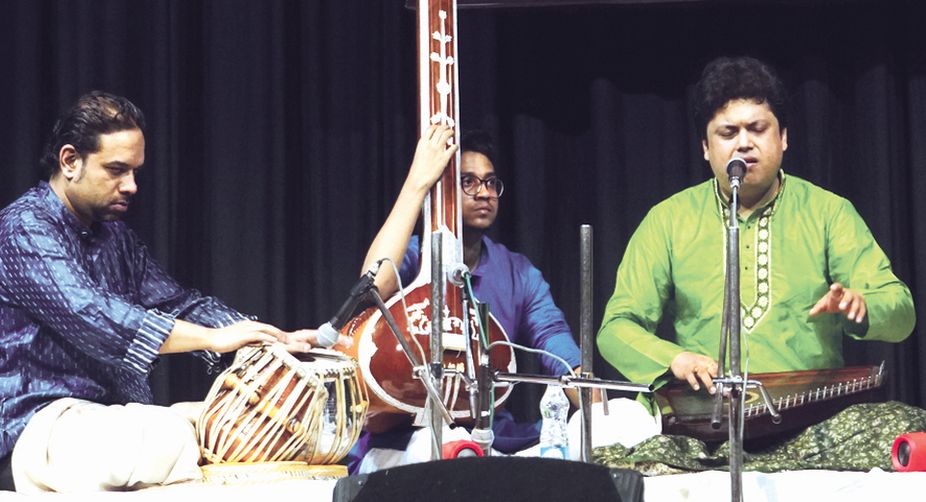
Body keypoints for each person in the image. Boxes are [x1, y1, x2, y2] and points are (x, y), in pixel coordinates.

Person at [0, 91, 320, 493]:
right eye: (116, 170)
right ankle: (184, 422)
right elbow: (92, 316)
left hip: (113, 420)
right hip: (34, 430)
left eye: (135, 172)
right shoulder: (24, 229)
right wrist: (214, 340)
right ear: (70, 161)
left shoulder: (116, 238)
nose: (131, 185)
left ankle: (187, 421)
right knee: (157, 439)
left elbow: (179, 303)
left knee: (242, 425)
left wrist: (270, 341)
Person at [597, 56, 915, 406]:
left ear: (783, 138)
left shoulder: (829, 213)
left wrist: (863, 305)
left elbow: (902, 312)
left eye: (758, 129)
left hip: (809, 416)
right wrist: (673, 359)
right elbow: (616, 328)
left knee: (905, 428)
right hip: (702, 417)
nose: (744, 143)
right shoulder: (668, 221)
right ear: (705, 147)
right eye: (728, 133)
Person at [351, 126, 582, 472]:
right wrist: (418, 183)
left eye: (491, 183)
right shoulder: (414, 259)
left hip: (491, 438)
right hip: (405, 440)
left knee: (580, 441)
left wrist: (596, 411)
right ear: (444, 189)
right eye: (468, 183)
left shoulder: (518, 272)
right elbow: (372, 287)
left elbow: (558, 349)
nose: (484, 193)